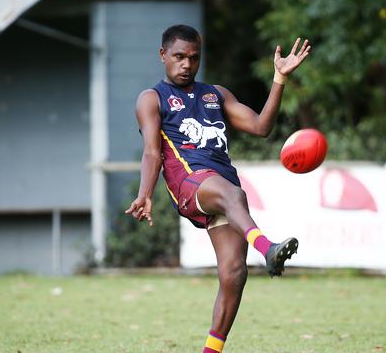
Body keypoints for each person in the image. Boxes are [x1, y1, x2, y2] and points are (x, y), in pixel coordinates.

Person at [124, 24, 310, 353]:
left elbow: (261, 127)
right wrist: (145, 193)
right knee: (235, 195)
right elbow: (153, 151)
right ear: (163, 55)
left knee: (234, 273)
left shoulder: (216, 94)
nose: (186, 64)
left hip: (221, 185)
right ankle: (267, 248)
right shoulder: (152, 98)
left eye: (193, 58)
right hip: (189, 181)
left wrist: (280, 78)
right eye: (179, 57)